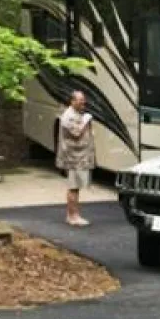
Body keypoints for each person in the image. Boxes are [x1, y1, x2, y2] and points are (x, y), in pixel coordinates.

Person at [56, 91, 95, 227]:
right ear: (72, 101)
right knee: (73, 187)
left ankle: (73, 215)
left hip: (79, 157)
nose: (83, 103)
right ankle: (73, 216)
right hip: (73, 158)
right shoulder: (68, 116)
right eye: (80, 100)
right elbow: (76, 132)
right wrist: (86, 120)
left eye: (83, 100)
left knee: (76, 187)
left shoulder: (77, 114)